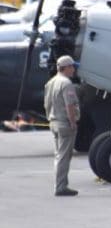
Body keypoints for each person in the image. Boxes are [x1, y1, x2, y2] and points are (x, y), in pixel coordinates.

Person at [44, 55, 81, 196]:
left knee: (59, 156)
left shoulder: (51, 82)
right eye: (72, 67)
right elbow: (69, 104)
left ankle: (60, 184)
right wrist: (72, 122)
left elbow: (46, 104)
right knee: (64, 156)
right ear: (66, 67)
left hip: (54, 122)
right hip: (64, 123)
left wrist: (50, 119)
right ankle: (61, 187)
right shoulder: (66, 83)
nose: (74, 70)